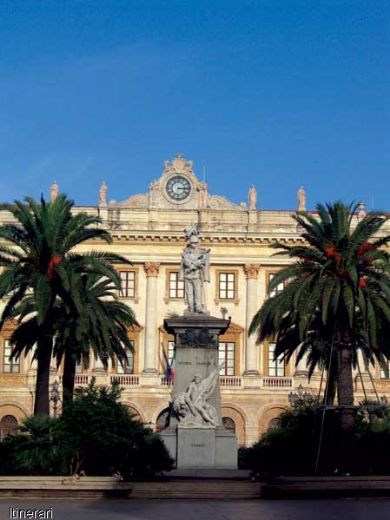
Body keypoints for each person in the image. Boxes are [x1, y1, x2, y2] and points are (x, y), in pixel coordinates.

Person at [179, 230, 210, 313]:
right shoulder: (186, 253)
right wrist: (195, 264)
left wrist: (198, 263)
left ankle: (198, 308)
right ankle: (191, 308)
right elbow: (186, 263)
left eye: (195, 243)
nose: (194, 245)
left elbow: (202, 263)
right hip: (188, 276)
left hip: (196, 277)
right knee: (189, 294)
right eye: (193, 243)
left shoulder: (200, 253)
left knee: (198, 293)